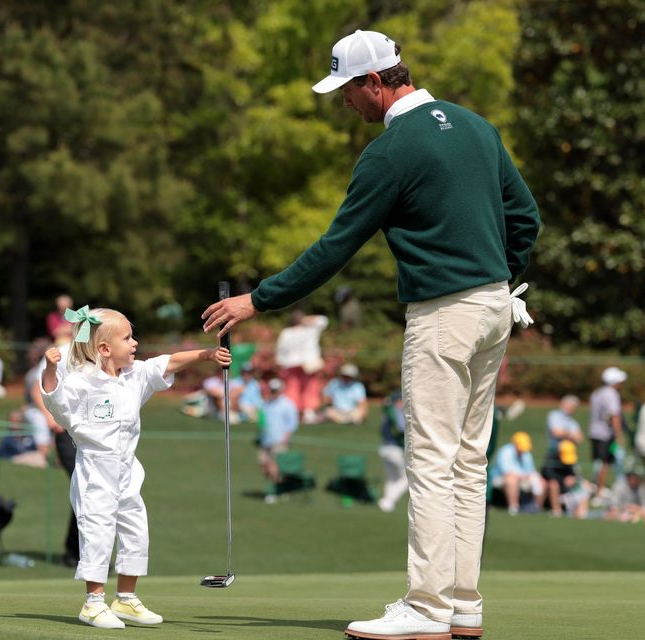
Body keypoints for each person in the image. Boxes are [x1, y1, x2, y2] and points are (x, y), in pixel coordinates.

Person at [201, 28, 540, 640]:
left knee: (432, 460)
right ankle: (463, 605)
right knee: (467, 461)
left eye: (348, 91)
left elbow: (336, 248)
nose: (345, 104)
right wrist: (495, 278)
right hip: (495, 307)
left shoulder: (391, 152)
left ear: (376, 82)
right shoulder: (475, 126)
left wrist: (258, 299)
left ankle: (428, 608)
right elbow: (526, 219)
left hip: (445, 314)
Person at [40, 305, 231, 630]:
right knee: (97, 534)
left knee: (135, 532)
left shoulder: (133, 376)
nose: (135, 343)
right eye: (127, 338)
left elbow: (167, 362)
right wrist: (48, 368)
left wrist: (208, 354)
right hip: (95, 473)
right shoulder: (82, 383)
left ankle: (126, 599)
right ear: (104, 349)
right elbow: (54, 401)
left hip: (128, 472)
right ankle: (93, 603)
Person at [29, 322, 78, 567]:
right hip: (66, 432)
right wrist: (50, 418)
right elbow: (37, 388)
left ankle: (82, 551)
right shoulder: (61, 351)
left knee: (90, 490)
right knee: (83, 487)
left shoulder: (88, 353)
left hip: (87, 431)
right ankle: (75, 551)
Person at [274, 310, 329, 424]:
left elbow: (280, 353)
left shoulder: (287, 332)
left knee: (295, 388)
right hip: (305, 364)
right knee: (308, 388)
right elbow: (323, 320)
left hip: (296, 365)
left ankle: (299, 413)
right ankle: (305, 413)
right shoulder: (308, 330)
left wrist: (283, 364)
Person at [257, 378, 299, 502]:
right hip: (265, 440)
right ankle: (282, 487)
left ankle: (275, 491)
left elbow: (292, 423)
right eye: (272, 390)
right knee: (264, 466)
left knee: (274, 467)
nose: (274, 392)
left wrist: (285, 438)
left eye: (276, 390)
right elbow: (262, 420)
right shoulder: (265, 403)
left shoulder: (287, 404)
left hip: (279, 440)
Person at [589, 367, 627, 497]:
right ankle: (598, 491)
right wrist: (619, 436)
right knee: (605, 464)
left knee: (599, 463)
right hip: (605, 435)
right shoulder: (611, 394)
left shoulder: (597, 393)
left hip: (594, 432)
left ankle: (598, 487)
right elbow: (614, 416)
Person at [490, 432, 545, 515]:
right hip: (500, 478)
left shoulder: (526, 453)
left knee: (540, 480)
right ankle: (514, 507)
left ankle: (536, 507)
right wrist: (524, 476)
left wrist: (531, 477)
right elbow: (506, 472)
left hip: (522, 478)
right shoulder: (505, 451)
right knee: (511, 479)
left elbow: (530, 471)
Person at [540, 440, 591, 519]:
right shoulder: (551, 460)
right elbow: (547, 476)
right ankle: (557, 511)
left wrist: (574, 479)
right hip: (554, 491)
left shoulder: (572, 461)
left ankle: (581, 513)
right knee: (553, 484)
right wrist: (563, 480)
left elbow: (577, 475)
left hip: (568, 490)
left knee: (586, 485)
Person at [376, 390, 407, 513]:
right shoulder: (394, 411)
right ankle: (388, 501)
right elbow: (401, 427)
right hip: (393, 449)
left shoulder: (387, 411)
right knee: (406, 479)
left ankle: (387, 504)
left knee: (392, 478)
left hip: (384, 448)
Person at [607, 457, 645, 524]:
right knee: (612, 515)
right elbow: (614, 505)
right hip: (621, 511)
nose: (638, 479)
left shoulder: (641, 488)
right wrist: (627, 508)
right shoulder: (619, 486)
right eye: (636, 476)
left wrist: (636, 509)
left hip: (637, 512)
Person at [545, 394, 583, 459]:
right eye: (570, 405)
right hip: (555, 453)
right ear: (563, 404)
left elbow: (579, 439)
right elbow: (556, 433)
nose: (572, 408)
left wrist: (564, 433)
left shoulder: (573, 422)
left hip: (569, 455)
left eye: (574, 406)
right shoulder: (554, 415)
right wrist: (572, 435)